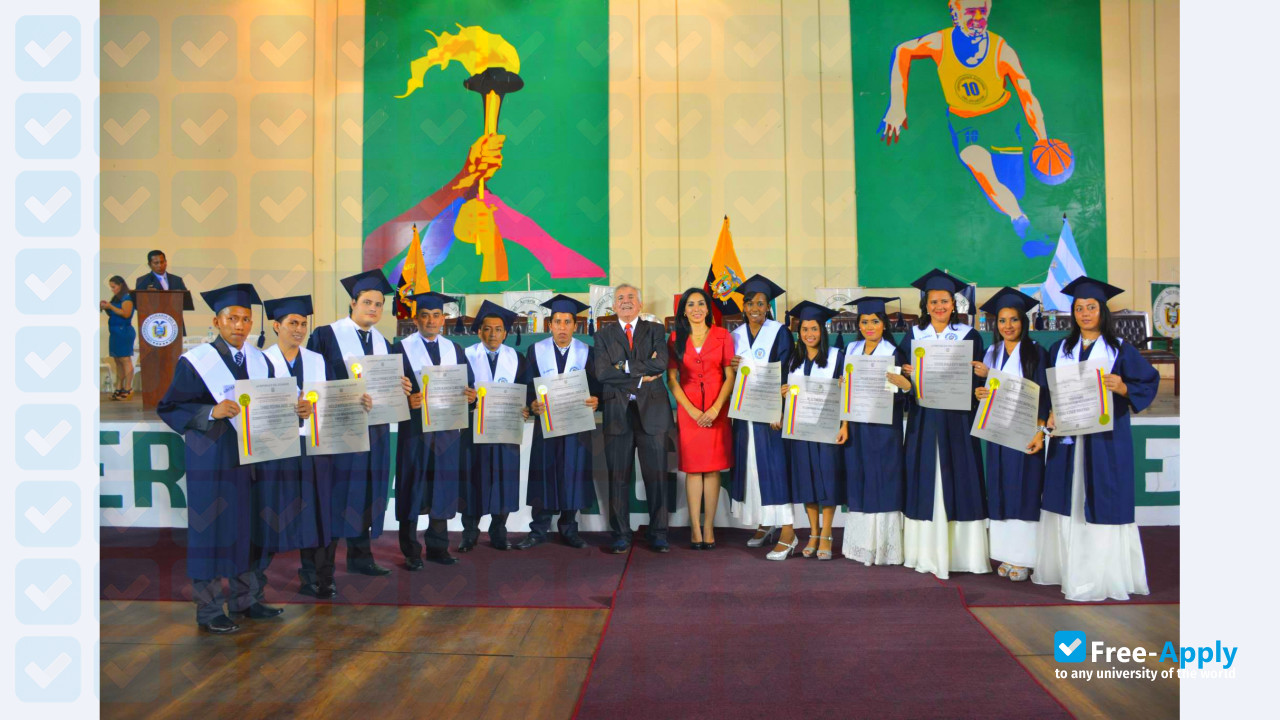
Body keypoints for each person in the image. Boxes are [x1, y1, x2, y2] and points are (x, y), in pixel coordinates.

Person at [157, 283, 283, 633]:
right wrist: (211, 411)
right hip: (213, 457)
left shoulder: (261, 360)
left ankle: (247, 600)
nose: (240, 325)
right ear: (217, 320)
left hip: (254, 456)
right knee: (212, 531)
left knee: (252, 526)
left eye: (245, 318)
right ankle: (210, 610)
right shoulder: (197, 362)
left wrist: (296, 410)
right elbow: (169, 407)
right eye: (232, 318)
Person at [879, 0, 1056, 245]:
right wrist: (897, 104)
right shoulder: (941, 43)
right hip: (965, 123)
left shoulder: (1001, 50)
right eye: (969, 12)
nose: (977, 19)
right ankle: (1022, 222)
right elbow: (902, 50)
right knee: (978, 163)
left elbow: (1027, 95)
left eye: (982, 12)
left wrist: (1042, 137)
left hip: (1001, 120)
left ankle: (1014, 210)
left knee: (1013, 192)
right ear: (954, 13)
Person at [1034, 276, 1159, 601]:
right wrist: (1046, 414)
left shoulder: (1120, 350)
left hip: (1106, 440)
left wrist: (1124, 387)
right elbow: (1048, 392)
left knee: (1103, 499)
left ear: (1103, 311)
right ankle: (1068, 570)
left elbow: (1148, 380)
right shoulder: (1059, 349)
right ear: (1072, 313)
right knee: (1068, 499)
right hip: (1068, 442)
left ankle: (1101, 576)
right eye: (1079, 308)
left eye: (1091, 307)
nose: (1085, 313)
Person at [306, 270, 411, 579]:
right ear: (352, 302)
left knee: (367, 492)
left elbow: (387, 388)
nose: (373, 309)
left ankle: (360, 557)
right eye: (367, 302)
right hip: (339, 429)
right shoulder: (326, 335)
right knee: (335, 494)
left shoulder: (384, 344)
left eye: (379, 304)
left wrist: (399, 386)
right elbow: (313, 381)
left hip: (375, 430)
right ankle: (321, 568)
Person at [899, 268, 989, 579]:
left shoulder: (970, 336)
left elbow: (980, 383)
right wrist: (906, 376)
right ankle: (923, 551)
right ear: (926, 305)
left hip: (957, 421)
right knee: (925, 477)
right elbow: (899, 383)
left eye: (945, 301)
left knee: (960, 478)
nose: (939, 306)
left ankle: (963, 554)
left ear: (954, 304)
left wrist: (981, 379)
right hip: (924, 420)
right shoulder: (913, 337)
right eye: (934, 301)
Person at [259, 296, 339, 599]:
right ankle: (253, 587)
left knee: (319, 512)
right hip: (277, 449)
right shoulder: (261, 361)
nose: (299, 329)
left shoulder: (318, 360)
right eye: (293, 323)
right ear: (276, 325)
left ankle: (319, 578)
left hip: (316, 446)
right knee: (272, 512)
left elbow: (331, 401)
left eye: (304, 323)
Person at [972, 287, 1049, 582]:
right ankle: (1005, 554)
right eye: (1002, 320)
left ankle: (1024, 558)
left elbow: (1043, 394)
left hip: (1024, 432)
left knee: (1024, 490)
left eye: (1013, 320)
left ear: (1023, 323)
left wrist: (1040, 430)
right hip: (997, 431)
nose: (1007, 326)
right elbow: (988, 393)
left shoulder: (1036, 353)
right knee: (1002, 490)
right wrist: (981, 391)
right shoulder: (991, 353)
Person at [393, 291, 475, 568]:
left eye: (436, 315)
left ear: (444, 319)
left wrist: (471, 396)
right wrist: (406, 400)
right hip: (415, 431)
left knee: (442, 486)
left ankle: (438, 547)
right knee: (413, 487)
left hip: (447, 431)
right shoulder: (400, 349)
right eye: (425, 316)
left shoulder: (455, 349)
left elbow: (469, 385)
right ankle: (411, 551)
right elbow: (390, 393)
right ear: (415, 319)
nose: (431, 320)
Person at [595, 284, 672, 554]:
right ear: (613, 306)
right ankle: (620, 534)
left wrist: (624, 368)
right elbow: (603, 372)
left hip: (652, 413)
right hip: (617, 414)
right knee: (618, 478)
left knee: (657, 477)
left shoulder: (655, 330)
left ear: (640, 304)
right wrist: (641, 375)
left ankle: (659, 533)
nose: (625, 302)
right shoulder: (602, 335)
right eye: (620, 299)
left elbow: (661, 362)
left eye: (630, 298)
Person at [518, 295, 599, 550]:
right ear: (549, 325)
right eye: (557, 322)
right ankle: (538, 529)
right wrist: (532, 404)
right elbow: (527, 387)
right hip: (547, 425)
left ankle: (569, 528)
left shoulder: (587, 352)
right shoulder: (536, 351)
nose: (562, 327)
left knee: (573, 473)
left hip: (577, 426)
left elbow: (597, 388)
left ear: (575, 326)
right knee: (544, 471)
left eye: (567, 322)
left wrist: (597, 400)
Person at [727, 275, 796, 555]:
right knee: (752, 467)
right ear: (743, 307)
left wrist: (778, 410)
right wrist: (731, 367)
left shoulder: (779, 332)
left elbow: (786, 372)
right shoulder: (735, 335)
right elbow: (732, 376)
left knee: (775, 468)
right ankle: (767, 522)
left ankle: (788, 531)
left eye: (760, 303)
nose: (755, 307)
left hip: (771, 414)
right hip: (745, 414)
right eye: (749, 303)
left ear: (768, 306)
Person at [840, 296, 911, 566]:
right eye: (864, 321)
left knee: (884, 478)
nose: (869, 326)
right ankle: (860, 545)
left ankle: (884, 546)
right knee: (859, 477)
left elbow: (905, 397)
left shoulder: (893, 352)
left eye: (874, 321)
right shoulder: (851, 350)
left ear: (884, 324)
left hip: (884, 427)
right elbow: (845, 393)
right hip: (857, 426)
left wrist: (905, 385)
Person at [666, 288, 735, 550]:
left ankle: (709, 527)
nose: (696, 308)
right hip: (689, 410)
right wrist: (693, 411)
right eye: (691, 304)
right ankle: (695, 528)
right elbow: (671, 379)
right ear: (683, 310)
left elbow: (730, 375)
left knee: (713, 468)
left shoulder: (722, 335)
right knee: (694, 469)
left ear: (708, 308)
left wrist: (717, 408)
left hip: (717, 410)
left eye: (701, 304)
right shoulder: (675, 338)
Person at [783, 301, 848, 561]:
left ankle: (827, 533)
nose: (809, 333)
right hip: (800, 429)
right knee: (806, 480)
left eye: (814, 328)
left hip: (827, 430)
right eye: (805, 329)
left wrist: (845, 425)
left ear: (823, 331)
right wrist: (783, 393)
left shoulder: (836, 356)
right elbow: (787, 394)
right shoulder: (792, 361)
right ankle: (812, 532)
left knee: (828, 480)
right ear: (799, 332)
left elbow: (847, 395)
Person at [461, 301, 526, 551]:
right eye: (487, 329)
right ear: (479, 332)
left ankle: (499, 530)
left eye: (498, 329)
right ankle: (470, 532)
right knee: (472, 478)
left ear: (505, 333)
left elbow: (527, 390)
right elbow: (459, 391)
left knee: (504, 479)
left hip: (505, 431)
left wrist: (527, 406)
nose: (492, 334)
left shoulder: (516, 358)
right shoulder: (465, 356)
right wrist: (467, 398)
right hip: (474, 429)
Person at [101, 275, 136, 400]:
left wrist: (111, 306)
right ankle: (119, 387)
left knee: (125, 359)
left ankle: (128, 388)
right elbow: (114, 313)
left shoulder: (127, 298)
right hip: (115, 332)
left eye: (113, 287)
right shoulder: (117, 298)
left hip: (124, 331)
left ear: (120, 285)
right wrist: (106, 307)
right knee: (118, 361)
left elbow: (126, 314)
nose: (112, 289)